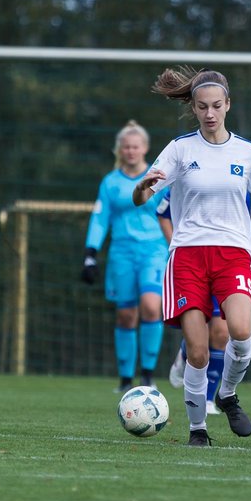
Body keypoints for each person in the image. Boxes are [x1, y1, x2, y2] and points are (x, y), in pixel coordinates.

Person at [133, 66, 251, 447]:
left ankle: (227, 393)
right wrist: (142, 189)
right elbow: (145, 197)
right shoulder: (181, 149)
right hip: (187, 256)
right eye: (202, 107)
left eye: (216, 105)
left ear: (228, 105)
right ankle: (198, 430)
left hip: (233, 254)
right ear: (194, 109)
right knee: (197, 352)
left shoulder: (249, 154)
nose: (210, 113)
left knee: (241, 333)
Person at [80, 120, 169, 392]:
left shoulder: (158, 179)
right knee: (126, 315)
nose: (131, 151)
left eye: (136, 146)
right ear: (120, 149)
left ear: (145, 148)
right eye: (126, 146)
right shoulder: (111, 182)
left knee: (152, 306)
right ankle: (125, 379)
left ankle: (148, 375)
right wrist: (90, 254)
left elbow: (171, 213)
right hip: (122, 254)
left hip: (154, 251)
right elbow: (100, 219)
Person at [156, 190, 225, 416]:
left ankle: (208, 399)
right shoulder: (189, 177)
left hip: (226, 261)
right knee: (200, 335)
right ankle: (186, 353)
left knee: (222, 333)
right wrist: (175, 244)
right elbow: (162, 212)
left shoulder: (238, 174)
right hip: (192, 264)